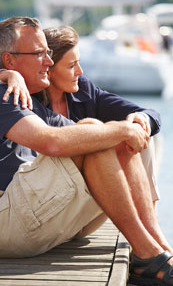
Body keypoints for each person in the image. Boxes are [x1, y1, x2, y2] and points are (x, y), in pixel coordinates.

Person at [0, 16, 173, 286]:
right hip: (7, 225)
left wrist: (127, 128)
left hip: (30, 221)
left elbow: (76, 136)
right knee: (101, 132)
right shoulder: (5, 93)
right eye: (39, 53)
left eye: (48, 52)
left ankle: (154, 247)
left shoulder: (23, 96)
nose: (48, 60)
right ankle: (148, 254)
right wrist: (120, 130)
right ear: (9, 60)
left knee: (106, 134)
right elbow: (50, 142)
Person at [0, 25, 161, 210]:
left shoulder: (84, 90)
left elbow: (151, 114)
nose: (80, 71)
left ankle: (148, 215)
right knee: (109, 132)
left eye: (78, 62)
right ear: (49, 68)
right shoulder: (25, 97)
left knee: (139, 130)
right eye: (71, 65)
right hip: (41, 190)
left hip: (80, 182)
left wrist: (142, 119)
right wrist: (6, 74)